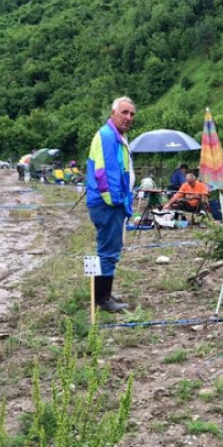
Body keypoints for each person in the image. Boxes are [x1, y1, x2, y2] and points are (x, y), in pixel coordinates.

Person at [85, 96, 136, 313]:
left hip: (110, 203)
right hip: (108, 204)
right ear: (113, 113)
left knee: (110, 249)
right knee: (108, 251)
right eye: (124, 112)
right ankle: (103, 299)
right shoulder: (108, 136)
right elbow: (106, 173)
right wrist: (116, 202)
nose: (128, 117)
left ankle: (103, 294)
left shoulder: (116, 136)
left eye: (132, 114)